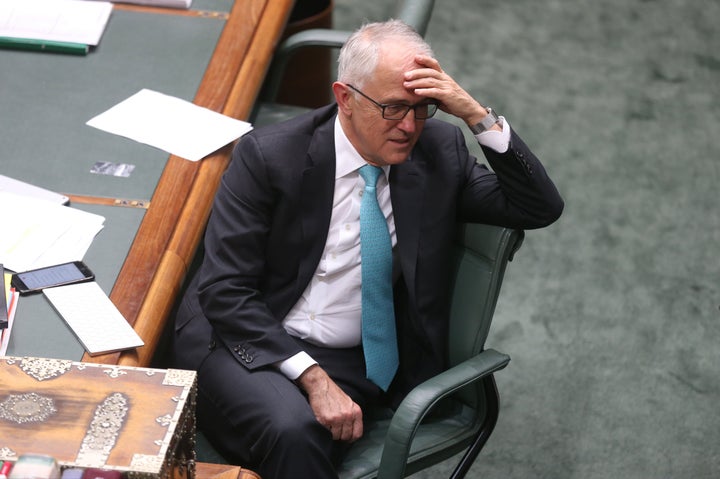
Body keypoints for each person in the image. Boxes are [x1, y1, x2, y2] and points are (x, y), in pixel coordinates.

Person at [173, 19, 563, 479]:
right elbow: (225, 291)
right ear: (345, 98)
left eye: (423, 109)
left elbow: (538, 206)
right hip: (249, 333)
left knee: (310, 438)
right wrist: (313, 379)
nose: (408, 126)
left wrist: (476, 114)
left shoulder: (439, 151)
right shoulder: (270, 156)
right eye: (393, 108)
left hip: (354, 354)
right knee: (295, 431)